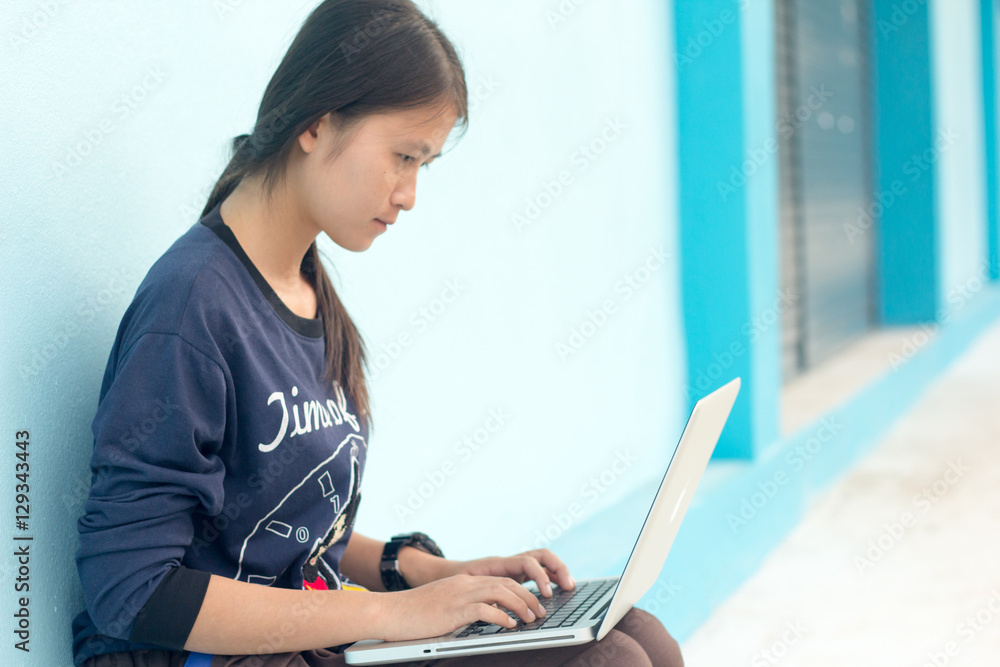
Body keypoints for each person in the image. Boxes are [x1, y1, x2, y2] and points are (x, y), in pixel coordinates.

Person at [70, 1, 685, 665]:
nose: (409, 193)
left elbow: (288, 534)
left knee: (635, 632)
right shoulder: (191, 307)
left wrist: (427, 571)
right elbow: (132, 588)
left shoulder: (309, 289)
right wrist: (391, 613)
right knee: (610, 661)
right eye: (403, 156)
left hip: (314, 634)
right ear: (316, 122)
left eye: (423, 165)